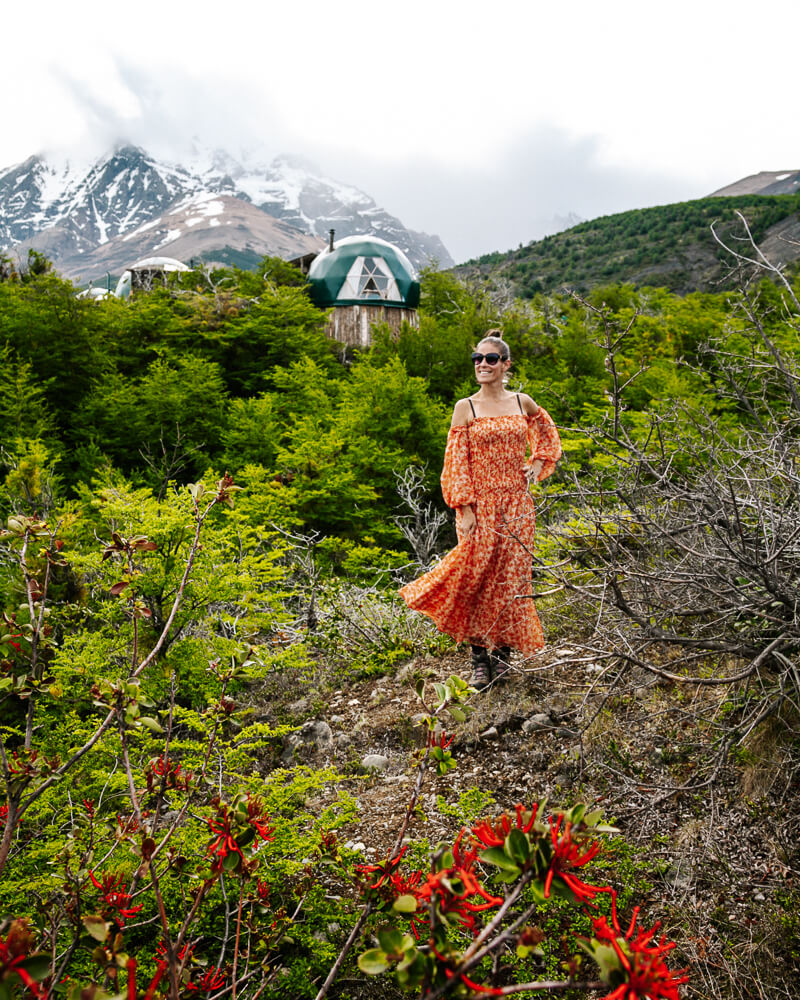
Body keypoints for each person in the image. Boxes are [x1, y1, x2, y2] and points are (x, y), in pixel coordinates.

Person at [399, 331, 561, 689]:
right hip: (479, 505)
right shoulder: (466, 407)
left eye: (490, 359)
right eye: (477, 359)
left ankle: (501, 657)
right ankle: (478, 659)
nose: (482, 365)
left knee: (510, 579)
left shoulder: (522, 402)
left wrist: (536, 465)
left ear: (506, 364)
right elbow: (455, 462)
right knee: (475, 579)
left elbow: (546, 433)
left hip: (517, 505)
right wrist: (465, 508)